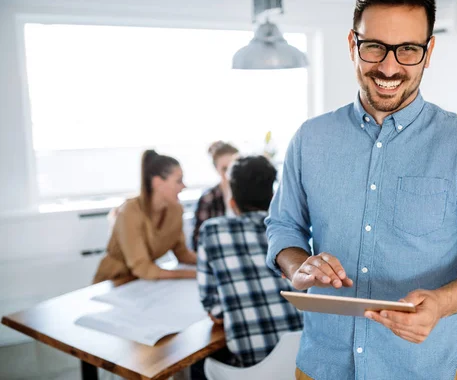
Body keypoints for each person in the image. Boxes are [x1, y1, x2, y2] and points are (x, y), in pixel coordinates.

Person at [265, 0, 457, 379]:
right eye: (374, 46)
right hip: (322, 366)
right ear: (352, 45)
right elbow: (283, 226)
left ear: (429, 53)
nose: (389, 68)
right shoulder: (310, 138)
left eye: (408, 49)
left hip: (420, 370)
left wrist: (443, 302)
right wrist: (298, 264)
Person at [196, 156, 303, 368]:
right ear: (273, 197)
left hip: (253, 368)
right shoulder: (293, 230)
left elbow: (214, 309)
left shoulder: (212, 230)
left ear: (232, 203)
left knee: (199, 366)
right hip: (304, 361)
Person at [93, 150, 197, 283]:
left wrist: (210, 262)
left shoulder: (175, 210)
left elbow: (182, 253)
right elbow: (142, 268)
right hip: (115, 280)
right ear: (157, 182)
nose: (184, 186)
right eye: (178, 181)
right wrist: (189, 274)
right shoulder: (130, 211)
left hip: (143, 282)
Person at [191, 141, 239, 251]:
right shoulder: (208, 198)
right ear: (216, 169)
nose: (229, 174)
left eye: (233, 167)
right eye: (224, 169)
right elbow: (198, 241)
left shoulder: (254, 194)